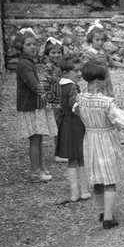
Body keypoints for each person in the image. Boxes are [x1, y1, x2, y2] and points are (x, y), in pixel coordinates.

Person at [75, 61, 124, 229]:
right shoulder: (105, 102)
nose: (106, 81)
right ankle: (108, 217)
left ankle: (101, 211)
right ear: (98, 81)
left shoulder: (80, 97)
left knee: (97, 179)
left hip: (90, 138)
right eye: (104, 79)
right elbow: (119, 117)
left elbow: (76, 110)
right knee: (109, 179)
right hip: (105, 139)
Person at [15, 28, 55, 182]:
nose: (32, 47)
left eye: (34, 44)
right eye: (28, 44)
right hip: (31, 106)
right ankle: (34, 172)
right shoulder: (24, 64)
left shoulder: (28, 61)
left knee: (39, 138)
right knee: (35, 139)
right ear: (21, 46)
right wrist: (47, 96)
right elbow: (33, 84)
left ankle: (40, 167)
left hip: (34, 104)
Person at [54, 58, 91, 205]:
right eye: (75, 71)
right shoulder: (73, 87)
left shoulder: (60, 85)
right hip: (76, 124)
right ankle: (83, 190)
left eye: (80, 70)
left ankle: (75, 192)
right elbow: (74, 104)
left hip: (65, 123)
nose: (79, 73)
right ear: (65, 73)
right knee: (80, 156)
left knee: (71, 159)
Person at [82, 20, 124, 96]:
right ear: (91, 40)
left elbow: (113, 62)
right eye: (97, 40)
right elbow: (86, 70)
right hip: (96, 81)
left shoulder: (104, 51)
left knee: (108, 96)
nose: (100, 42)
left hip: (106, 79)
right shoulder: (88, 54)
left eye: (102, 39)